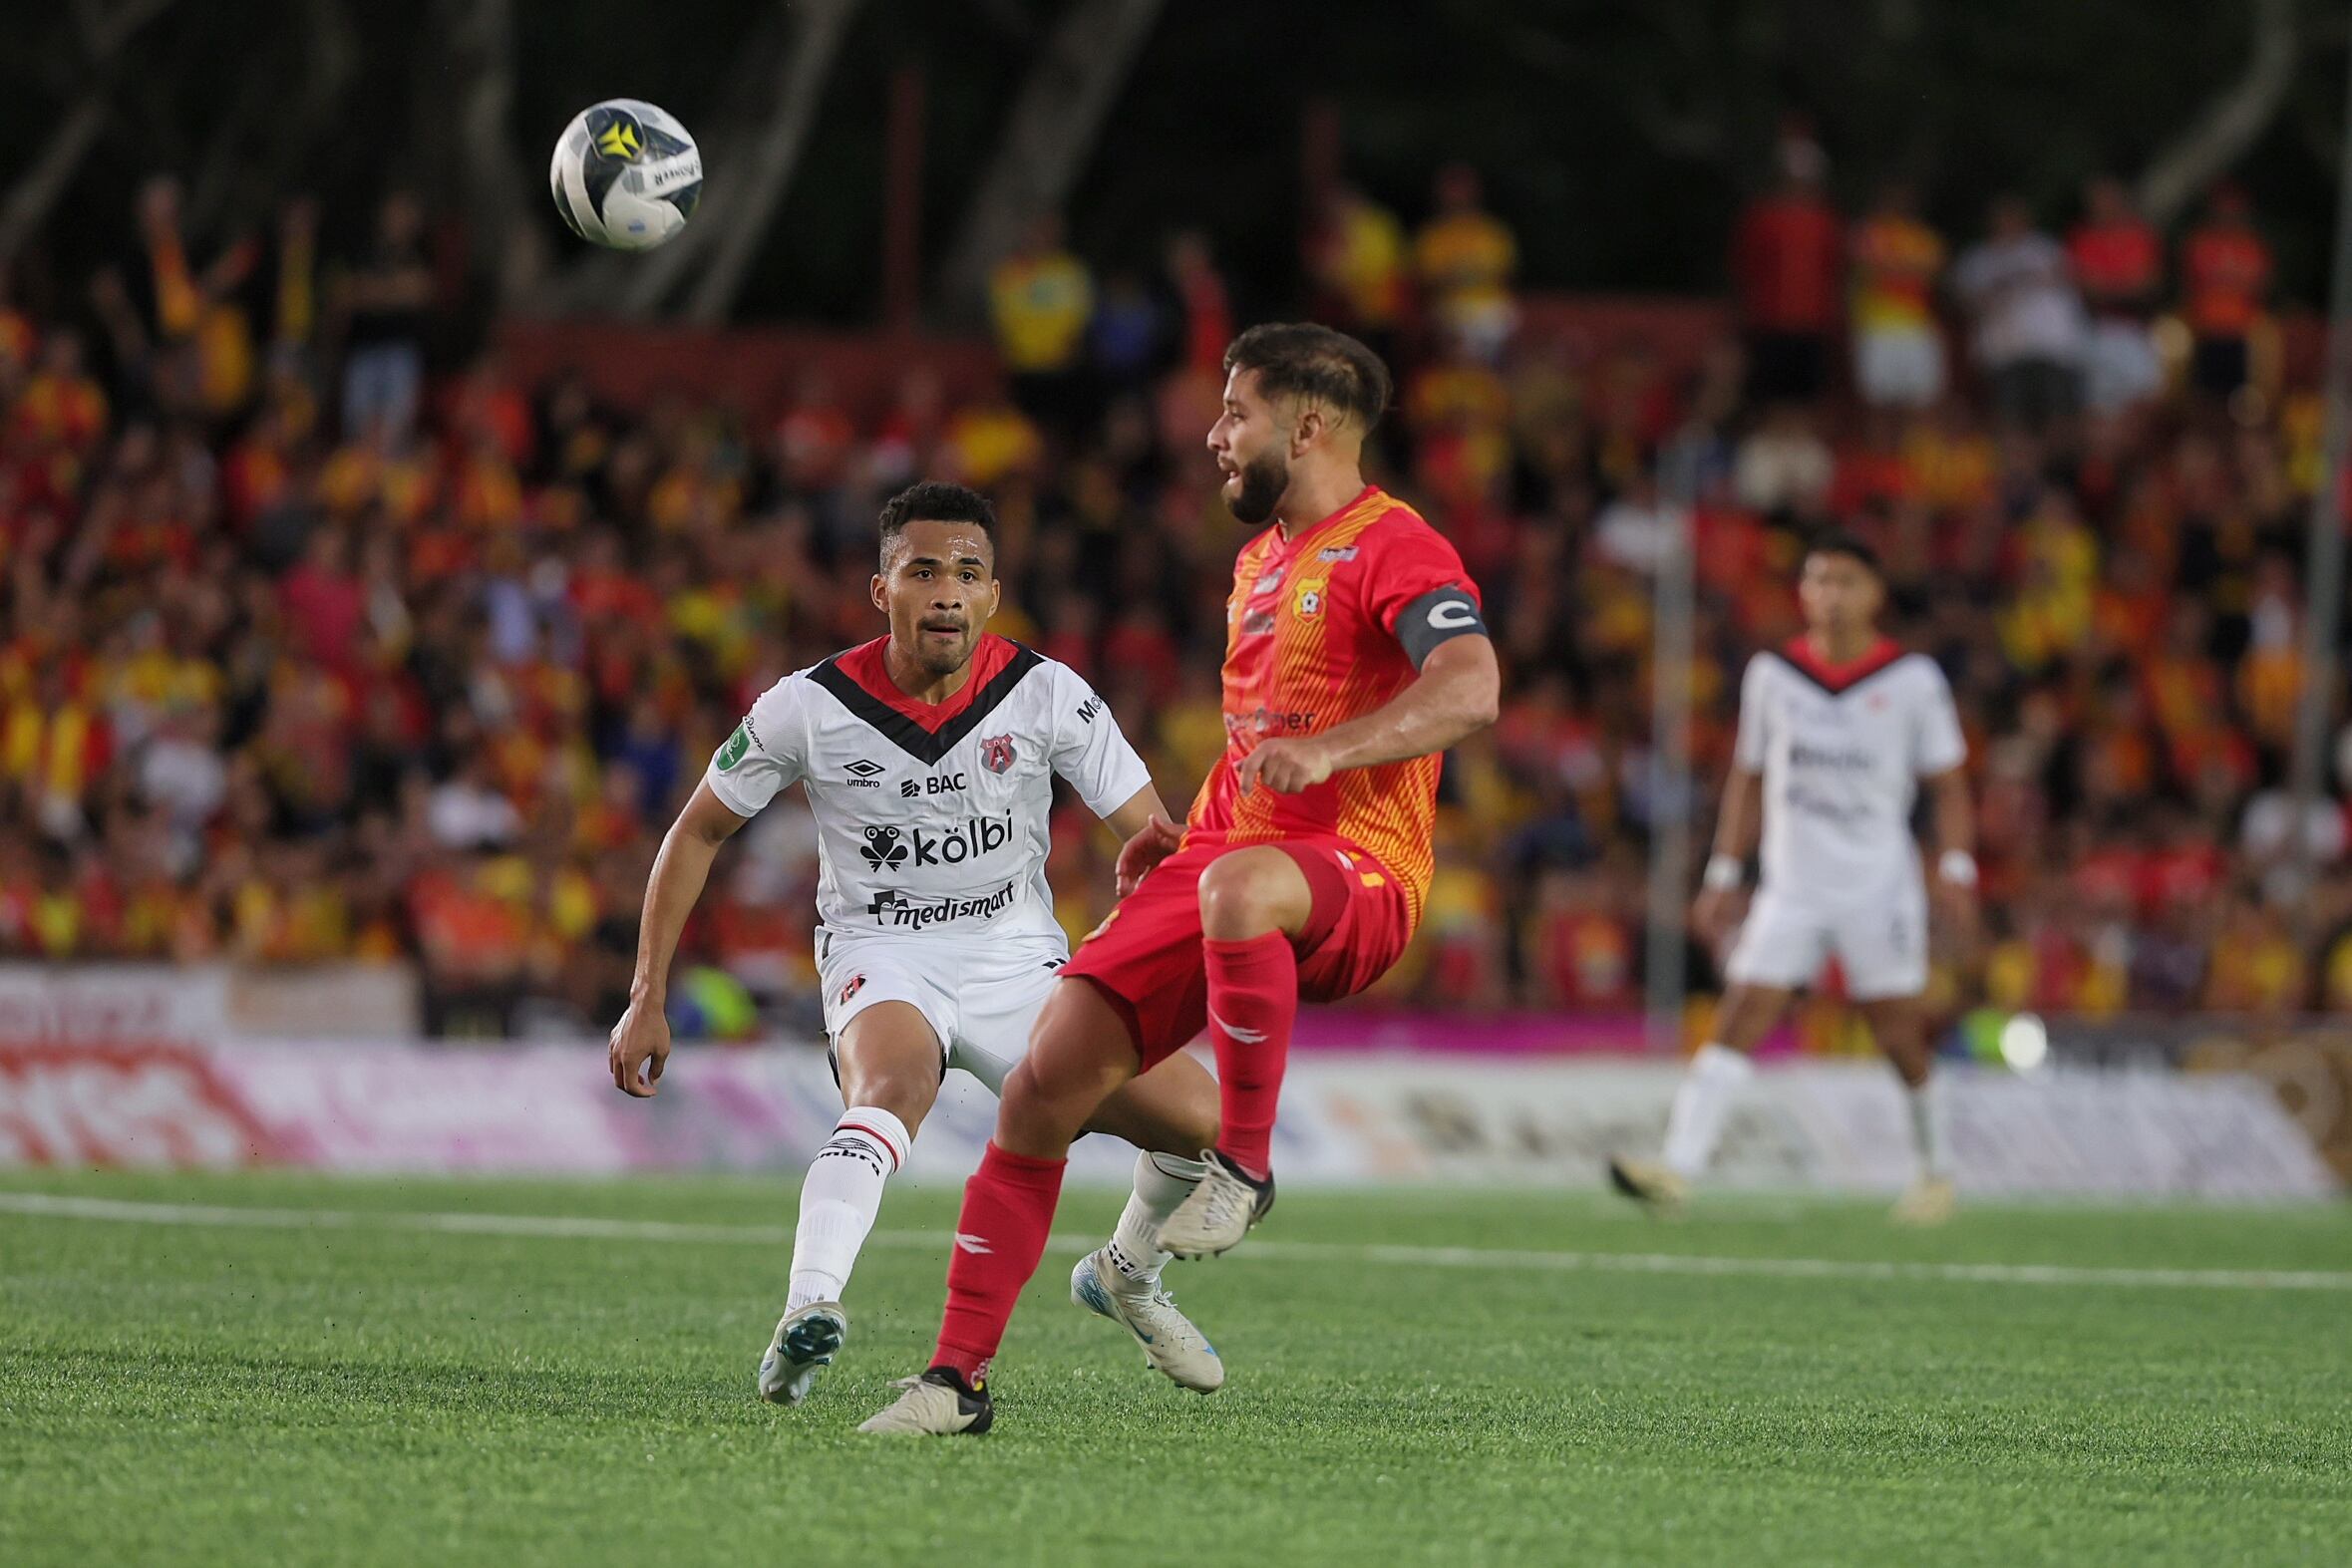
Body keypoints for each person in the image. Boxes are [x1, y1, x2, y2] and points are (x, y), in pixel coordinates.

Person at [860, 324, 1500, 1436]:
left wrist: (1338, 754)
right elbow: (1263, 737)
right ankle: (953, 1380)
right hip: (1224, 857)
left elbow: (1473, 686)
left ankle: (1241, 1169)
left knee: (1242, 891)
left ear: (1305, 426)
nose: (1212, 435)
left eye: (1234, 412)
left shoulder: (1398, 545)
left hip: (1357, 872)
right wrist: (1183, 824)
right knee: (1044, 1083)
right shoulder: (1260, 561)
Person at [607, 480, 1227, 1409]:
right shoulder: (805, 707)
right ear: (880, 589)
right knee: (894, 1086)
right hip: (882, 948)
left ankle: (1124, 1272)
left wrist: (1165, 888)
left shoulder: (1046, 693)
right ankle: (806, 1313)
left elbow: (1152, 833)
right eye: (923, 570)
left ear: (992, 594)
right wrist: (646, 993)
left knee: (1201, 1124)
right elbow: (694, 832)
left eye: (967, 573)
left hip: (1018, 959)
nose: (946, 591)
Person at [1609, 532, 1977, 1225]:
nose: (1830, 596)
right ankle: (1676, 1171)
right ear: (1802, 594)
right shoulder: (1772, 673)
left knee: (1897, 1033)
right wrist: (1723, 869)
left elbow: (1948, 784)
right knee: (1739, 1012)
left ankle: (1935, 1172)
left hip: (1877, 885)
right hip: (1791, 886)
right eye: (1817, 581)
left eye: (1845, 581)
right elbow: (1747, 778)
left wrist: (1955, 866)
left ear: (1874, 594)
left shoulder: (1910, 681)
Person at [1951, 195, 2087, 439]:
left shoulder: (2046, 249)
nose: (2008, 223)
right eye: (2002, 218)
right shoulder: (1978, 260)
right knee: (2012, 420)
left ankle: (2058, 470)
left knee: (2059, 416)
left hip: (2053, 351)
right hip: (2004, 354)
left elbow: (2075, 279)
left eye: (2013, 216)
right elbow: (1965, 300)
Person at [2067, 176, 2164, 413]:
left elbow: (2149, 287)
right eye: (2097, 200)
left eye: (2108, 199)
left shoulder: (2140, 236)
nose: (2103, 205)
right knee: (2101, 407)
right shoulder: (2082, 239)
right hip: (2097, 332)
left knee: (2146, 403)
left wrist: (2107, 286)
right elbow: (2088, 291)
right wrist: (2127, 284)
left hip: (2138, 331)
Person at [1848, 182, 1946, 412]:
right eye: (1893, 198)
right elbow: (1866, 269)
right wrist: (1907, 268)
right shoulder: (1869, 233)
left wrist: (1890, 266)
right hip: (1877, 327)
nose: (1899, 204)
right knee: (1877, 399)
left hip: (1917, 326)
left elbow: (1933, 272)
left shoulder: (1924, 237)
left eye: (1904, 199)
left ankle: (1913, 447)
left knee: (1922, 399)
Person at [2181, 184, 2271, 404]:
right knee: (2205, 399)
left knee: (2241, 402)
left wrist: (2224, 278)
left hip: (2241, 335)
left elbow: (2258, 285)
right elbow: (2193, 284)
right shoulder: (2200, 244)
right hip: (2206, 333)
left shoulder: (2252, 247)